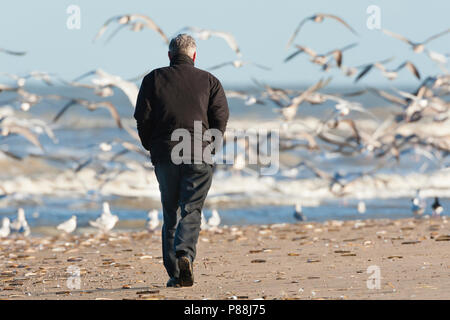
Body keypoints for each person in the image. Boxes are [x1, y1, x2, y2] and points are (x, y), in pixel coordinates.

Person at [133, 34, 229, 287]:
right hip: (199, 153)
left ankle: (176, 273)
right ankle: (185, 254)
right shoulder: (210, 80)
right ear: (194, 56)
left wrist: (152, 146)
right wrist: (210, 147)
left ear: (169, 56)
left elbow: (142, 119)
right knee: (191, 209)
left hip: (166, 153)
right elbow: (220, 119)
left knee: (170, 212)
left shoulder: (153, 78)